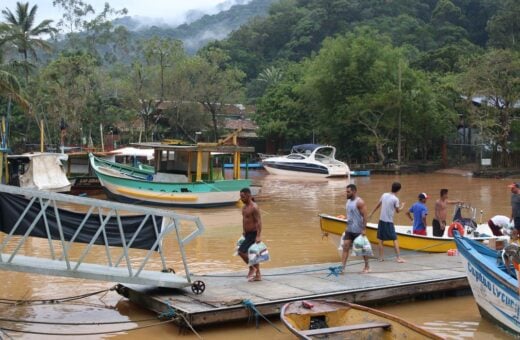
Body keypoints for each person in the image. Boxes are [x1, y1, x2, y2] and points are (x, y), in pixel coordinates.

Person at [368, 182, 405, 263]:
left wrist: (371, 213)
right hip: (389, 222)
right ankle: (398, 258)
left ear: (391, 187)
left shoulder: (384, 195)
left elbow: (378, 205)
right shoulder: (395, 199)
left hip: (381, 220)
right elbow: (398, 211)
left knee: (381, 240)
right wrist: (402, 206)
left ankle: (381, 258)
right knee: (394, 239)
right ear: (398, 190)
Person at [341, 184, 370, 274]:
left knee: (362, 250)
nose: (347, 193)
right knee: (345, 246)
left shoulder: (360, 202)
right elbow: (351, 214)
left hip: (358, 230)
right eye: (346, 191)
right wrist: (345, 217)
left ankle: (367, 266)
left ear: (354, 191)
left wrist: (364, 229)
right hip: (349, 229)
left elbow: (365, 216)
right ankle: (342, 268)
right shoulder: (348, 202)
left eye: (348, 192)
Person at [237, 187, 262, 282]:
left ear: (248, 196)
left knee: (241, 251)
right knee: (253, 254)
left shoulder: (254, 207)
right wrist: (244, 231)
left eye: (243, 197)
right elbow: (245, 220)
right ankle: (258, 275)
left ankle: (252, 268)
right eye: (240, 197)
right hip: (247, 233)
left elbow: (259, 221)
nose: (241, 199)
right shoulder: (244, 207)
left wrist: (258, 235)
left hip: (253, 233)